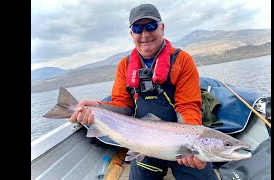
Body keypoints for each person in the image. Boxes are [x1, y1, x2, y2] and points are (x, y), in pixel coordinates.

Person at [70, 3, 218, 180]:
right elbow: (122, 105)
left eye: (151, 26)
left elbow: (188, 106)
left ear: (162, 28)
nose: (145, 34)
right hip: (142, 145)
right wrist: (98, 106)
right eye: (138, 28)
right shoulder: (124, 65)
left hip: (181, 147)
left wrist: (192, 142)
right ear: (131, 33)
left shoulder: (182, 60)